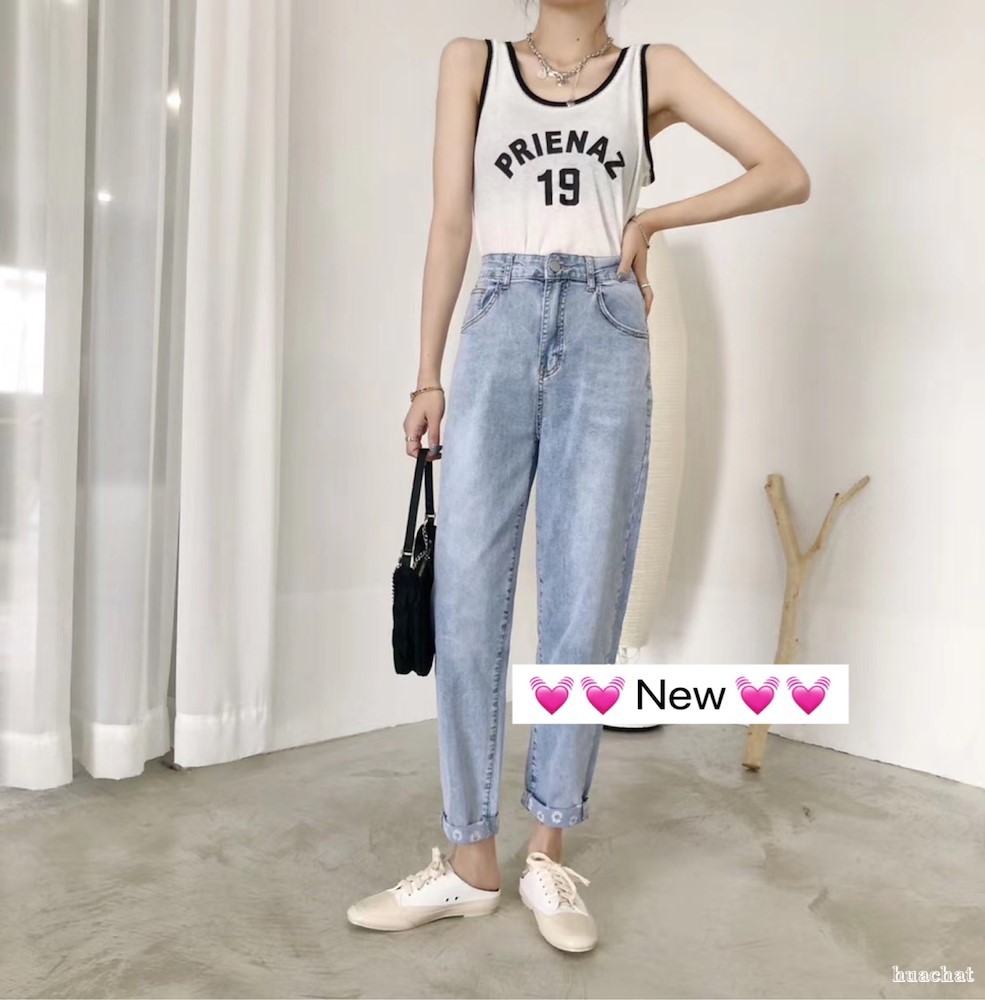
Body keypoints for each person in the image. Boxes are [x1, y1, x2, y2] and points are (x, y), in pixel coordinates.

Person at [347, 0, 810, 953]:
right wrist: (427, 375)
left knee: (585, 593)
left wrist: (653, 219)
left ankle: (548, 848)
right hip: (499, 316)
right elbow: (450, 223)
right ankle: (470, 859)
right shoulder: (473, 61)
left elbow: (783, 172)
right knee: (465, 592)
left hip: (606, 324)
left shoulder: (653, 70)